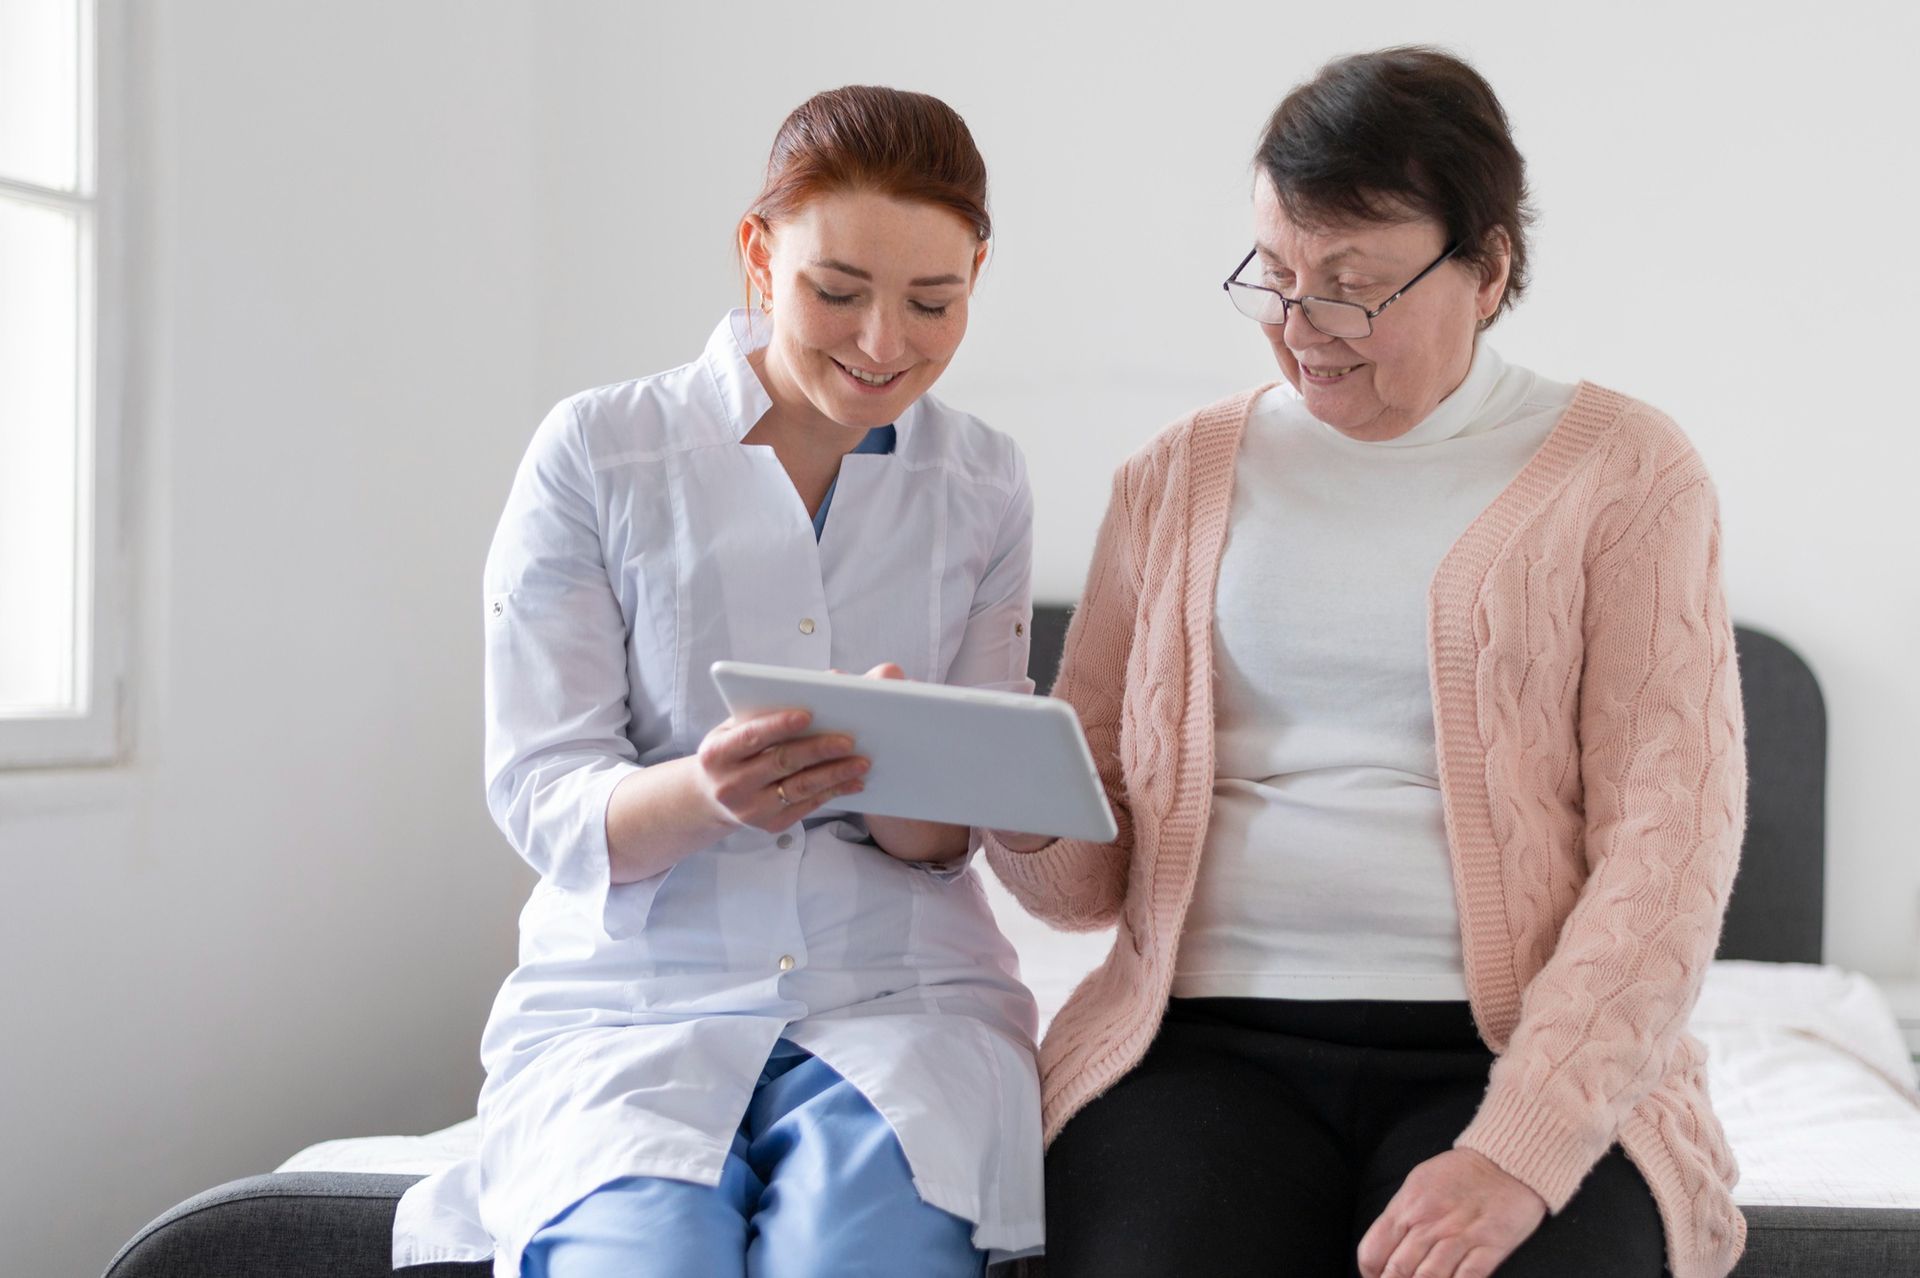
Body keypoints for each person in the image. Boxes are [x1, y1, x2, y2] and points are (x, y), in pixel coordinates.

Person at [987, 47, 1746, 1278]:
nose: (1302, 330)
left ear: (1489, 267)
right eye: (1275, 277)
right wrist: (1001, 789)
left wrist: (1522, 1146)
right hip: (1200, 1048)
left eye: (1354, 287)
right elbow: (1085, 884)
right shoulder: (1175, 478)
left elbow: (1670, 853)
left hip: (1507, 1050)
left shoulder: (1628, 474)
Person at [393, 85, 1043, 1278]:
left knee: (862, 1252)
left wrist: (906, 766)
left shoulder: (985, 481)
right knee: (638, 1254)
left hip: (899, 995)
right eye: (836, 292)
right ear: (758, 252)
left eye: (934, 301)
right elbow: (542, 787)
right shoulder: (602, 451)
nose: (884, 342)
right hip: (635, 998)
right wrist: (708, 792)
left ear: (977, 277)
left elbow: (955, 835)